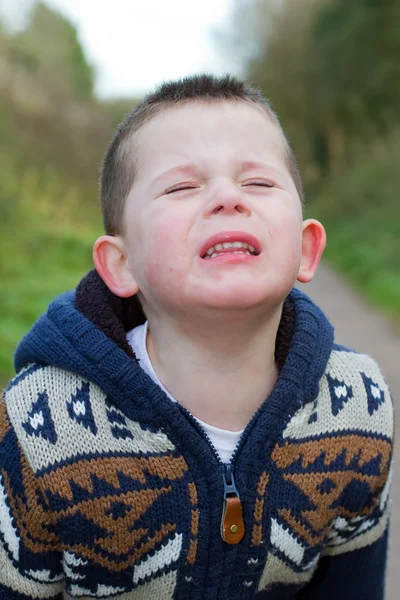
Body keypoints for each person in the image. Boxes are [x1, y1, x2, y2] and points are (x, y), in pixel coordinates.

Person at [0, 74, 393, 600]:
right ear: (120, 265)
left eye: (258, 183)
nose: (228, 198)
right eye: (183, 187)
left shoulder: (359, 409)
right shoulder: (37, 425)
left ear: (306, 249)